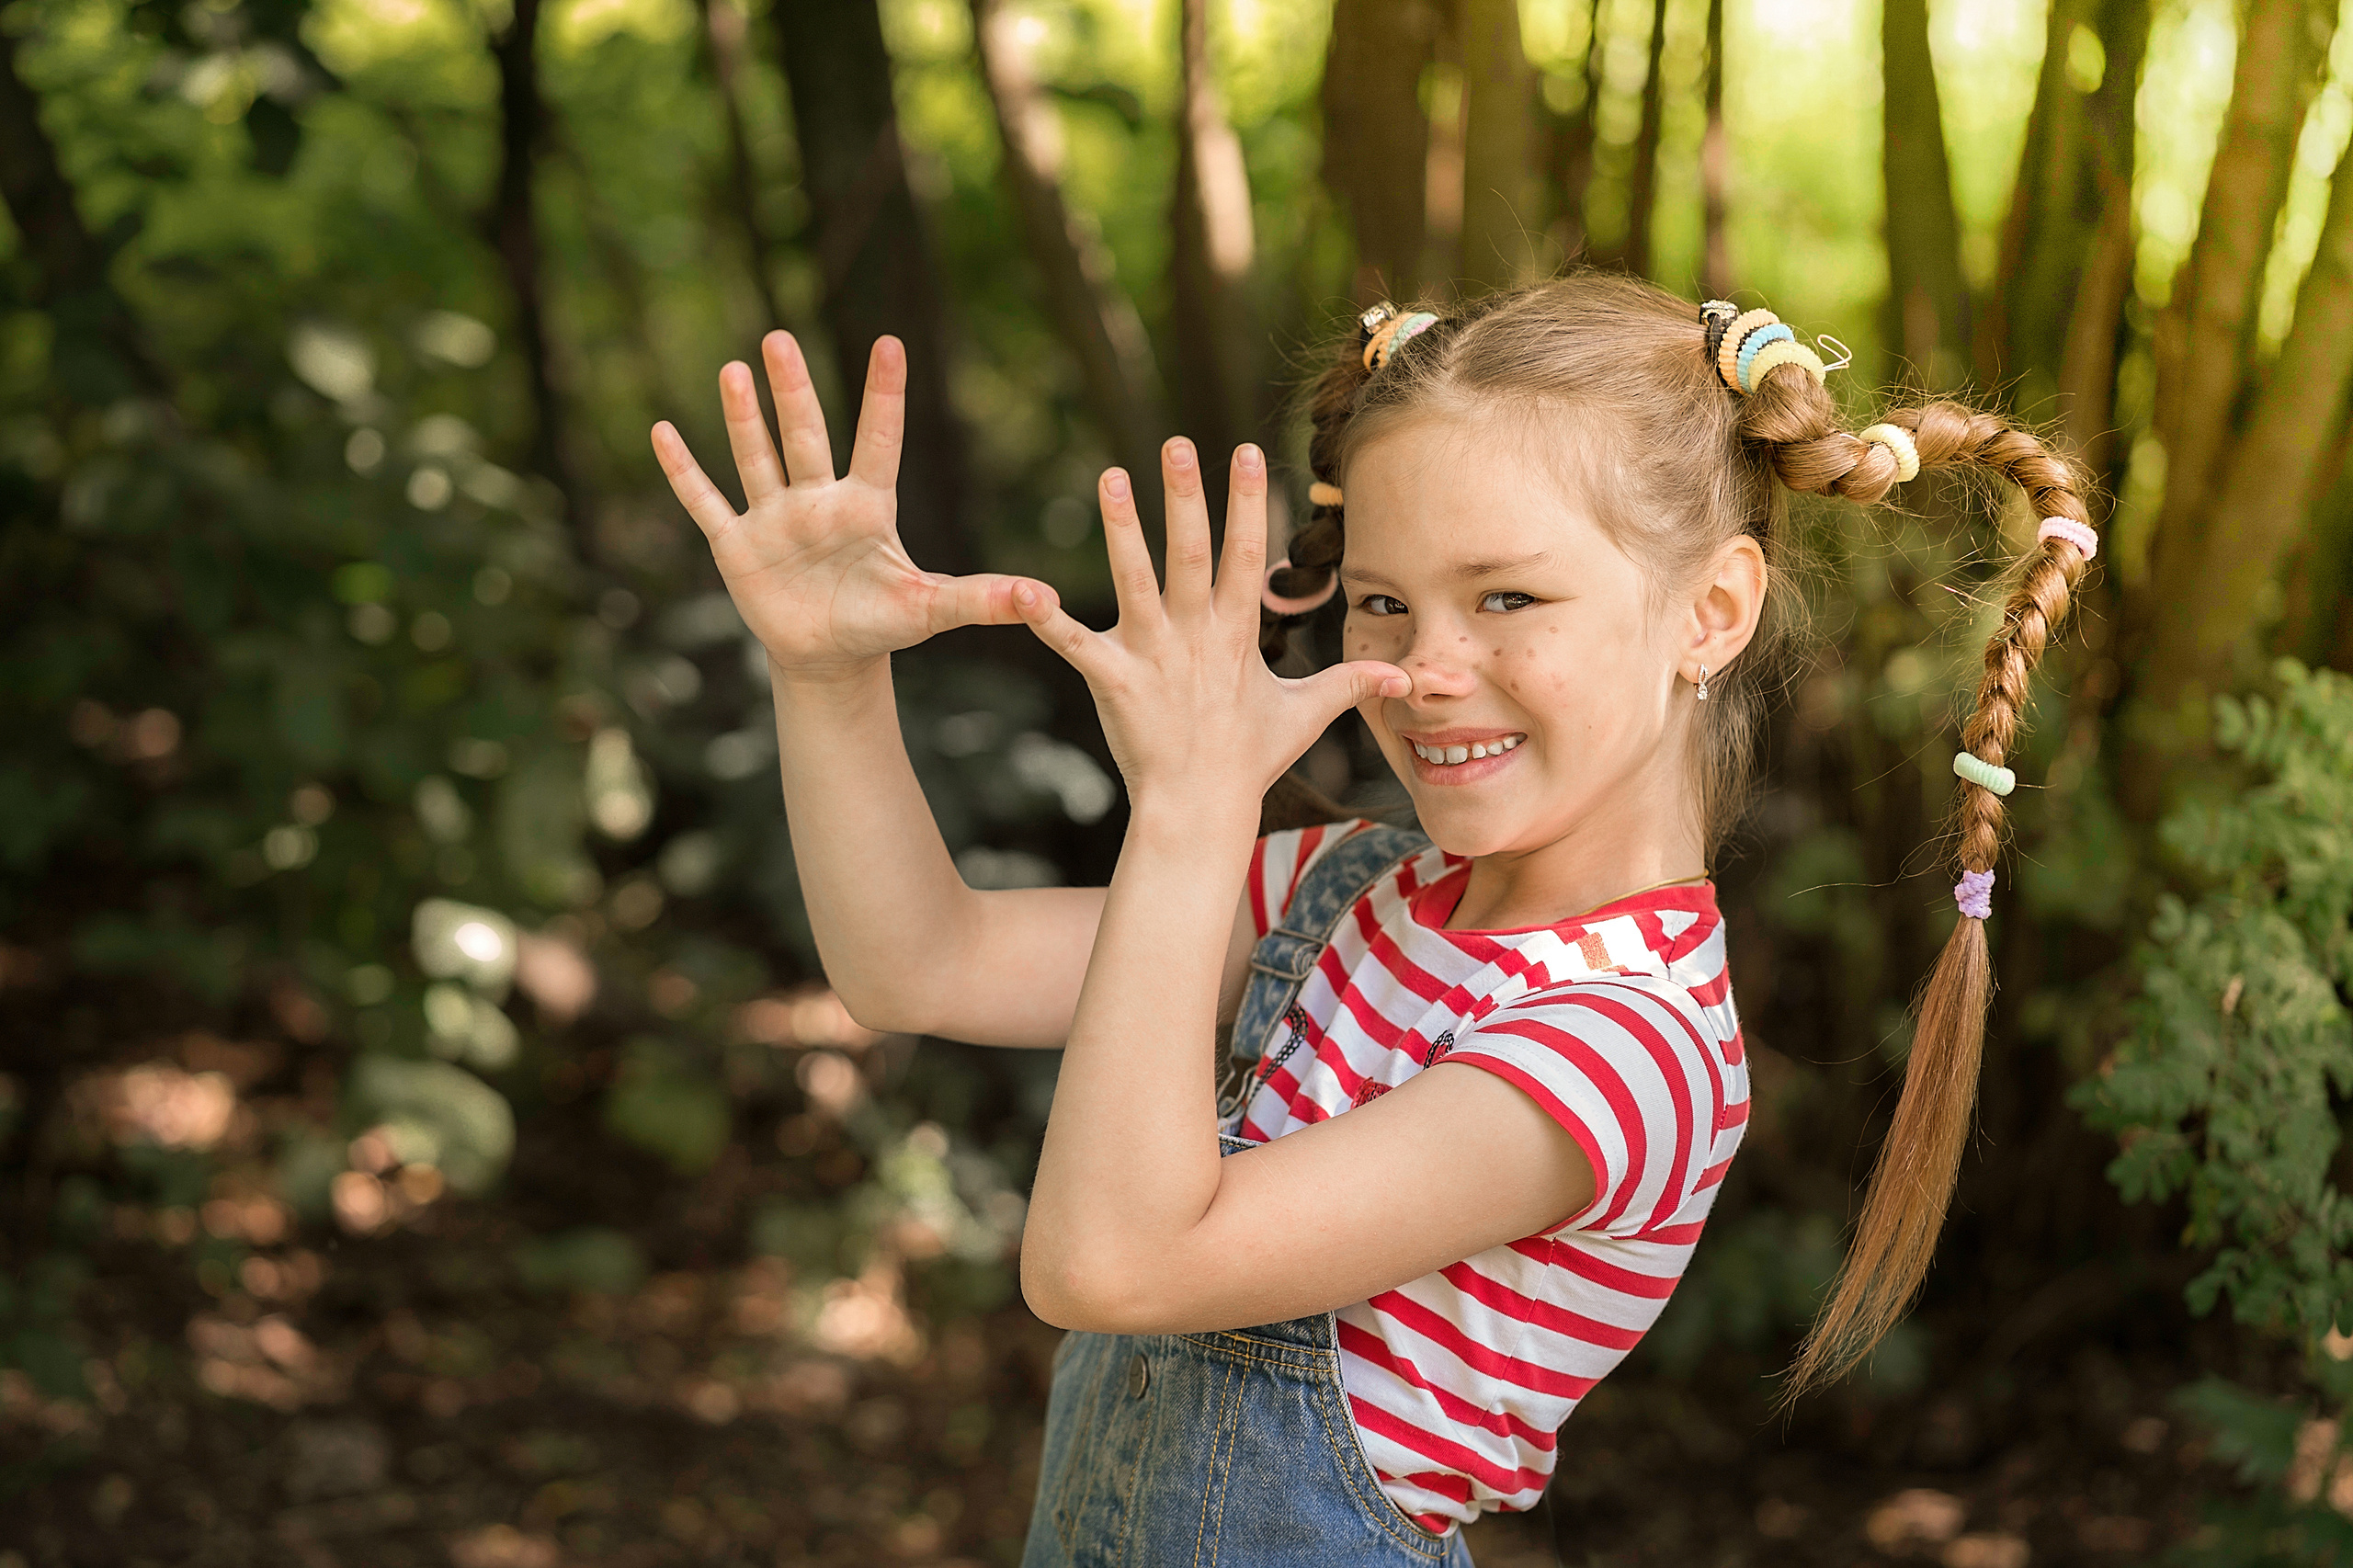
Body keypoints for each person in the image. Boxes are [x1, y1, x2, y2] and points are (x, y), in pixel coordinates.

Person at [650, 271, 2097, 1565]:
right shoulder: (1350, 889)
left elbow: (1108, 1265)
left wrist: (1191, 809)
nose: (1428, 667)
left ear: (1710, 613)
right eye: (1385, 602)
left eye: (1510, 595)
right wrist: (826, 676)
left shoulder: (1624, 1044)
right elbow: (921, 961)